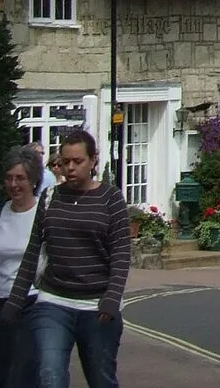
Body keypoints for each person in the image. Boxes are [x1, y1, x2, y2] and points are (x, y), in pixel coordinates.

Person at [7, 131, 130, 388]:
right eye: (65, 162)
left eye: (78, 161)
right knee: (50, 376)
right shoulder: (51, 197)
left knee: (101, 380)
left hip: (97, 308)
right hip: (53, 302)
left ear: (93, 160)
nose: (70, 168)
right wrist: (15, 301)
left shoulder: (111, 199)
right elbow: (33, 251)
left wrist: (111, 298)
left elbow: (121, 254)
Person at [0, 147, 44, 388]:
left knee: (25, 372)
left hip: (32, 302)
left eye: (20, 178)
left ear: (34, 181)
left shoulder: (43, 214)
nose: (13, 184)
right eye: (9, 178)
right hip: (0, 303)